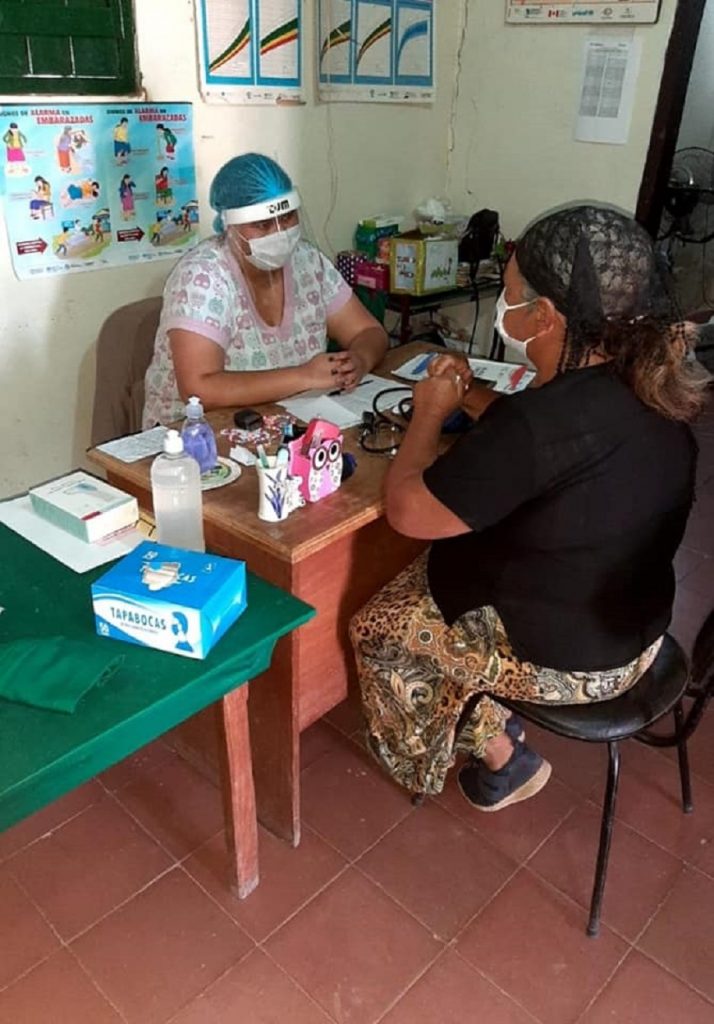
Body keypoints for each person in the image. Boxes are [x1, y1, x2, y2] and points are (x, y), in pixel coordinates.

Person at [350, 204, 701, 811]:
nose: (504, 309)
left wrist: (430, 411)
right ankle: (483, 715)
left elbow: (408, 511)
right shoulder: (649, 383)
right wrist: (474, 395)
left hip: (570, 664)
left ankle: (499, 758)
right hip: (640, 633)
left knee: (380, 625)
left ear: (544, 316)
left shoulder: (540, 425)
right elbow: (559, 444)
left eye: (510, 296)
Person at [143, 153, 388, 427]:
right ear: (229, 225)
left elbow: (369, 331)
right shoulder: (203, 277)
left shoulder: (307, 260)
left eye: (288, 217)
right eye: (262, 224)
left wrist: (360, 360)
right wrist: (305, 376)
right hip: (193, 434)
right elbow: (199, 389)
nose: (280, 232)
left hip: (286, 419)